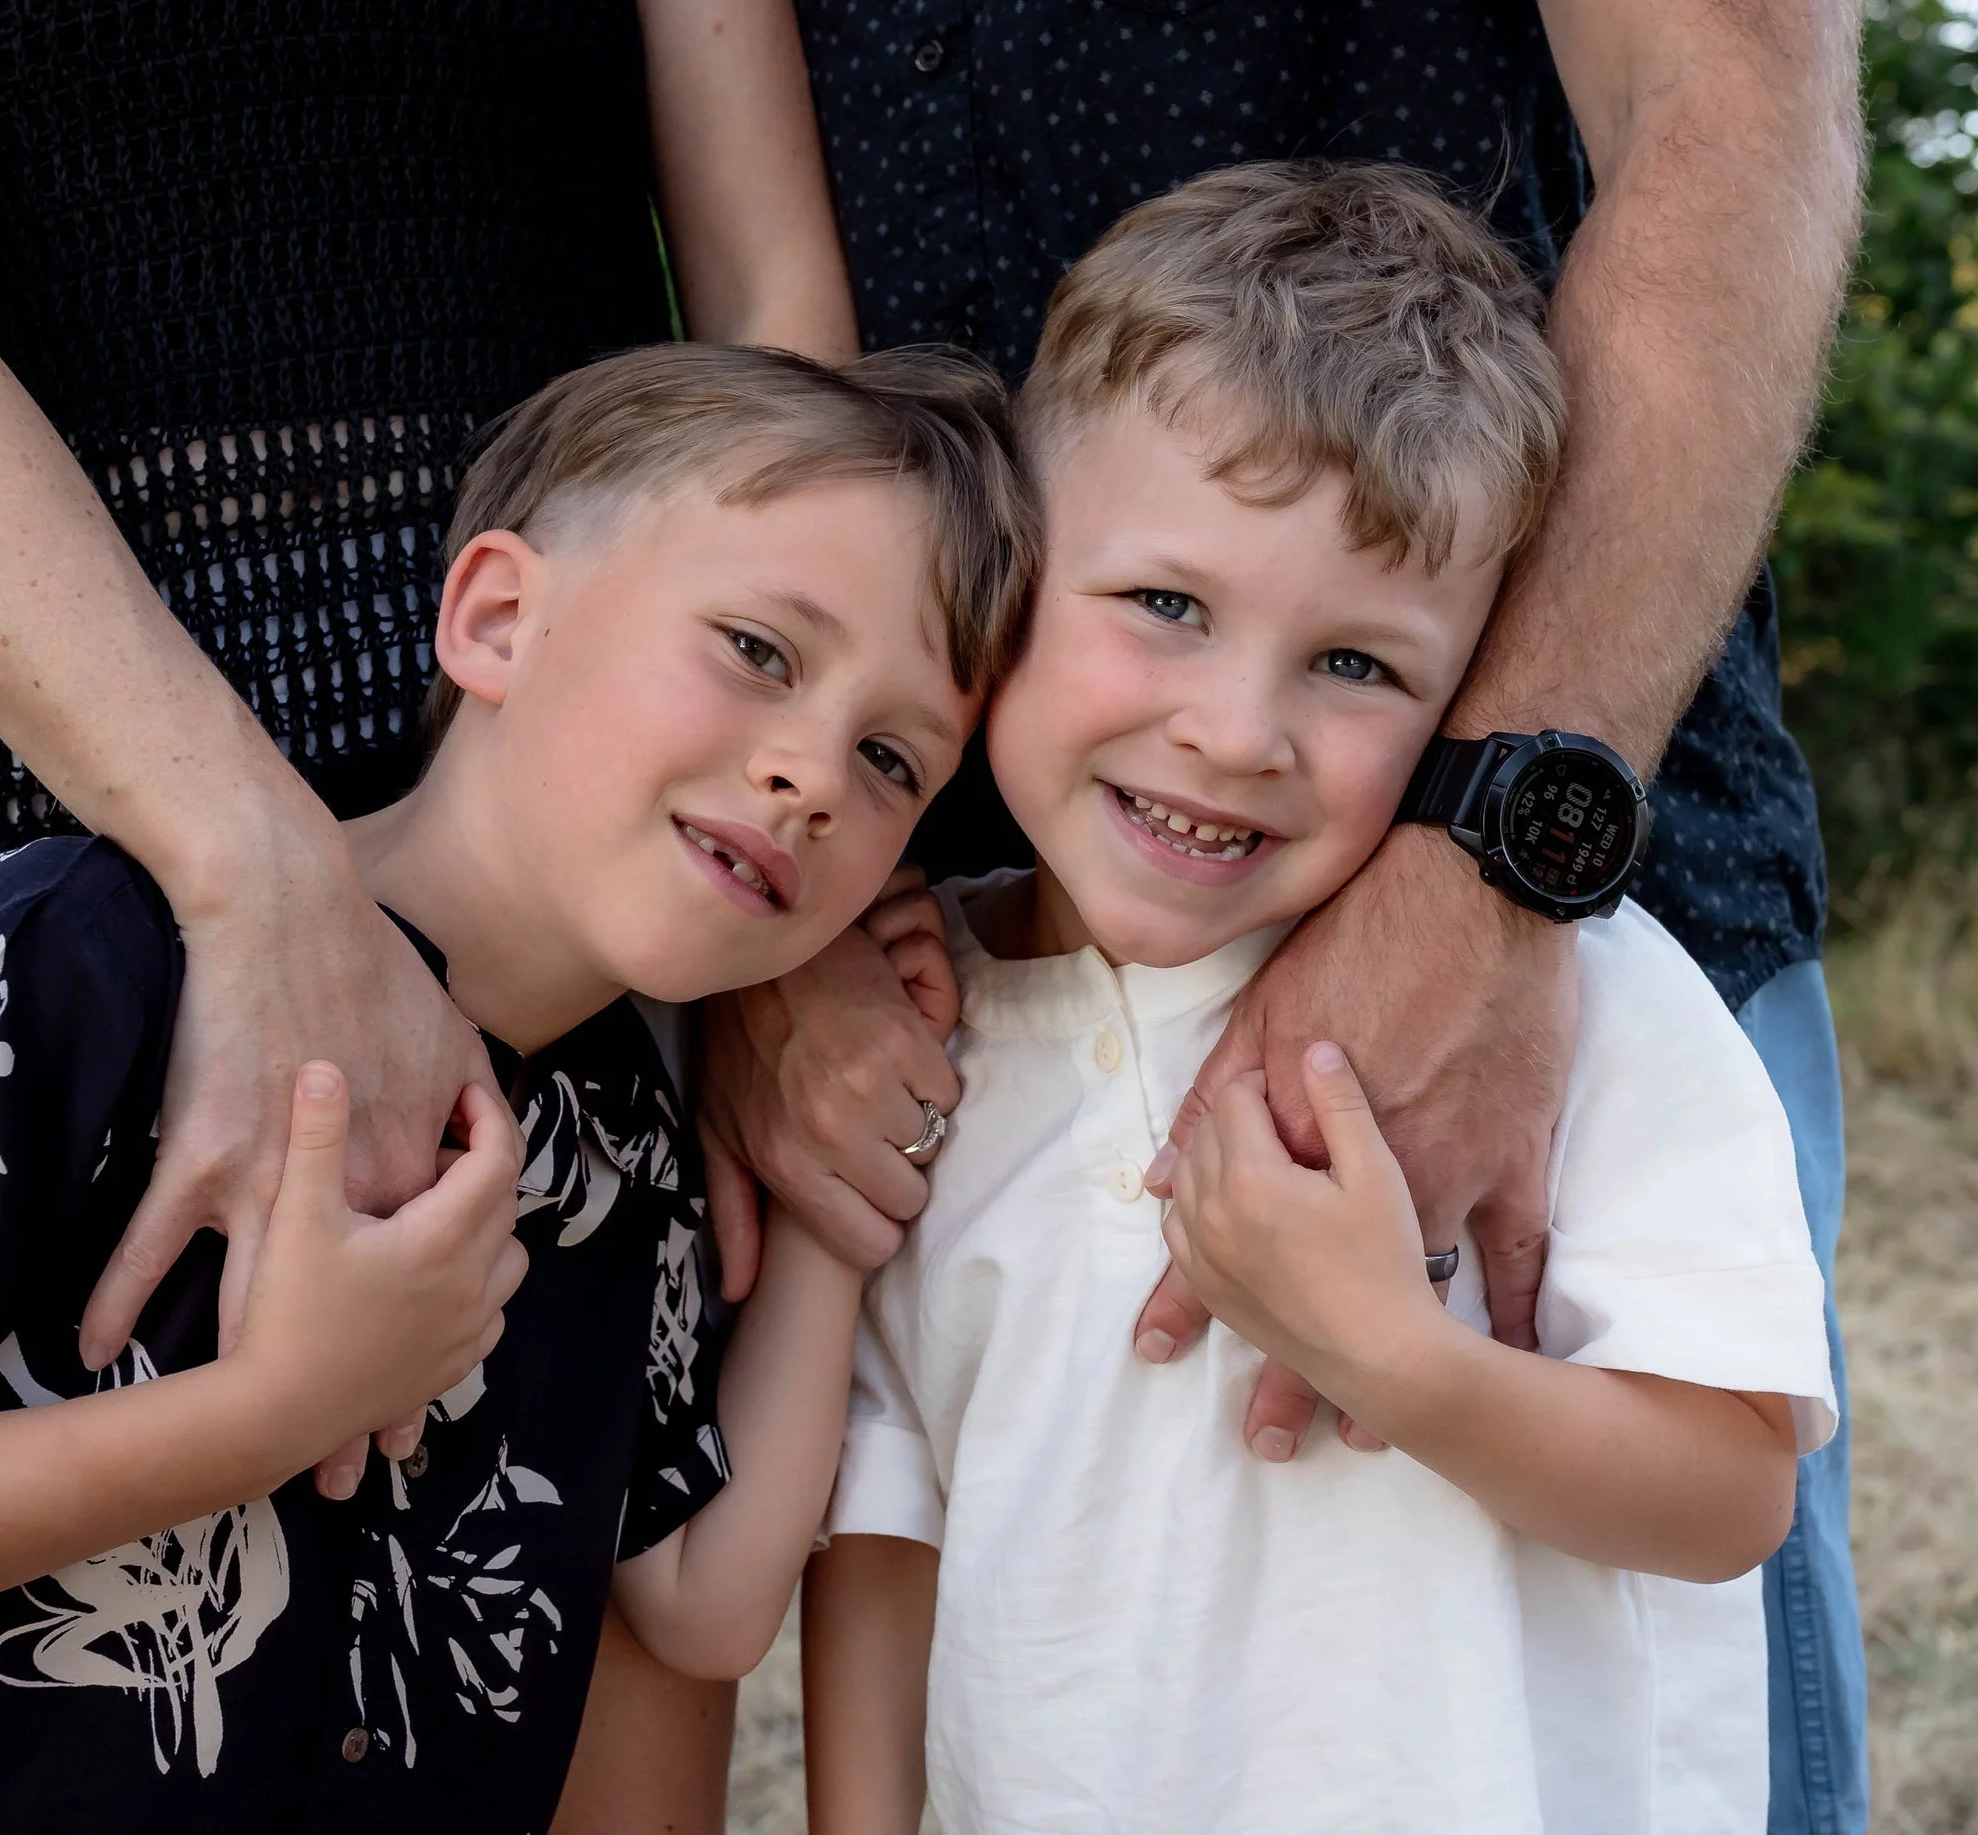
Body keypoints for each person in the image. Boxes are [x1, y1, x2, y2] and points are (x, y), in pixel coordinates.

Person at [0, 0, 864, 1813]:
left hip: (587, 877)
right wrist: (265, 878)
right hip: (26, 871)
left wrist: (789, 941)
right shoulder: (24, 973)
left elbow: (771, 282)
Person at [0, 343, 1040, 1834]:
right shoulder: (74, 966)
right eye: (760, 650)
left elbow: (705, 1602)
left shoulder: (615, 1160)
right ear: (500, 618)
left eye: (896, 758)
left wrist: (844, 1210)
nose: (816, 775)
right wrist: (272, 1411)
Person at [703, 4, 1868, 1827]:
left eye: (1350, 660)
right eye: (1164, 605)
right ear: (1016, 564)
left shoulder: (1609, 1006)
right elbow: (889, 1519)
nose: (1234, 733)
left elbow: (1730, 1495)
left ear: (1464, 672)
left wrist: (1401, 1360)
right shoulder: (930, 1030)